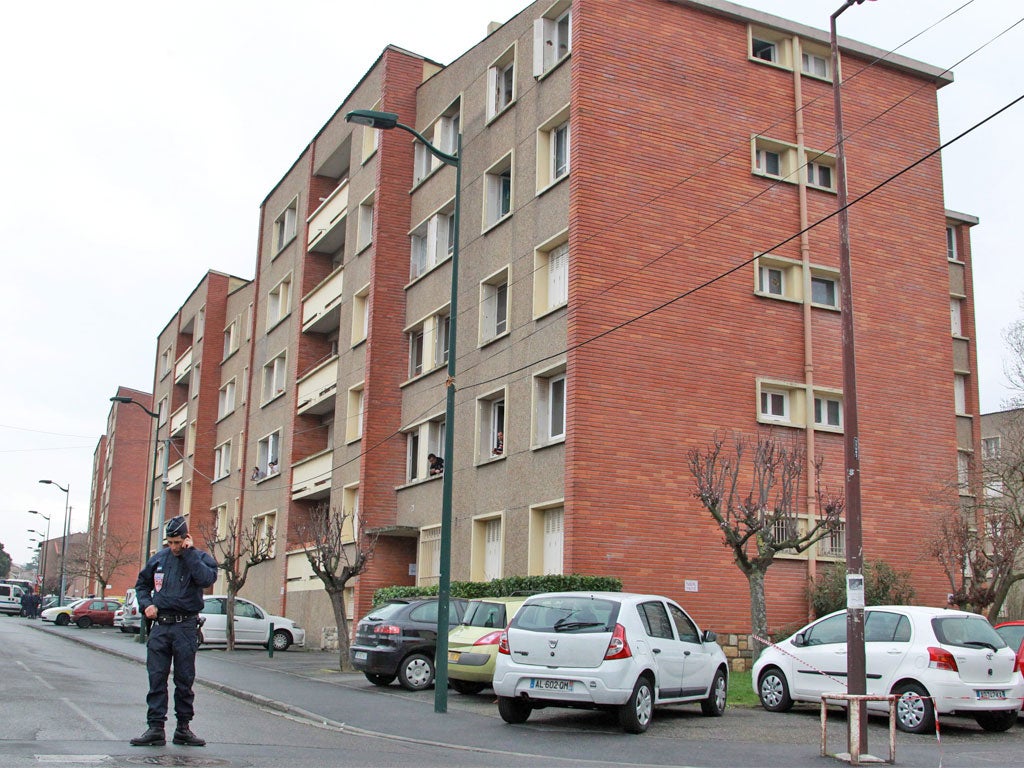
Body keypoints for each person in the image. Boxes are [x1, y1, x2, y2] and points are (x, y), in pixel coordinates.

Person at [130, 516, 218, 748]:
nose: (174, 547)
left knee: (184, 679)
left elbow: (206, 579)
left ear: (186, 539)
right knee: (156, 677)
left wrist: (189, 554)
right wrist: (145, 603)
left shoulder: (200, 559)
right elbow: (142, 585)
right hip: (161, 626)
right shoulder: (158, 559)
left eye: (178, 542)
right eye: (170, 543)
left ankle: (183, 728)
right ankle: (155, 727)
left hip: (185, 626)